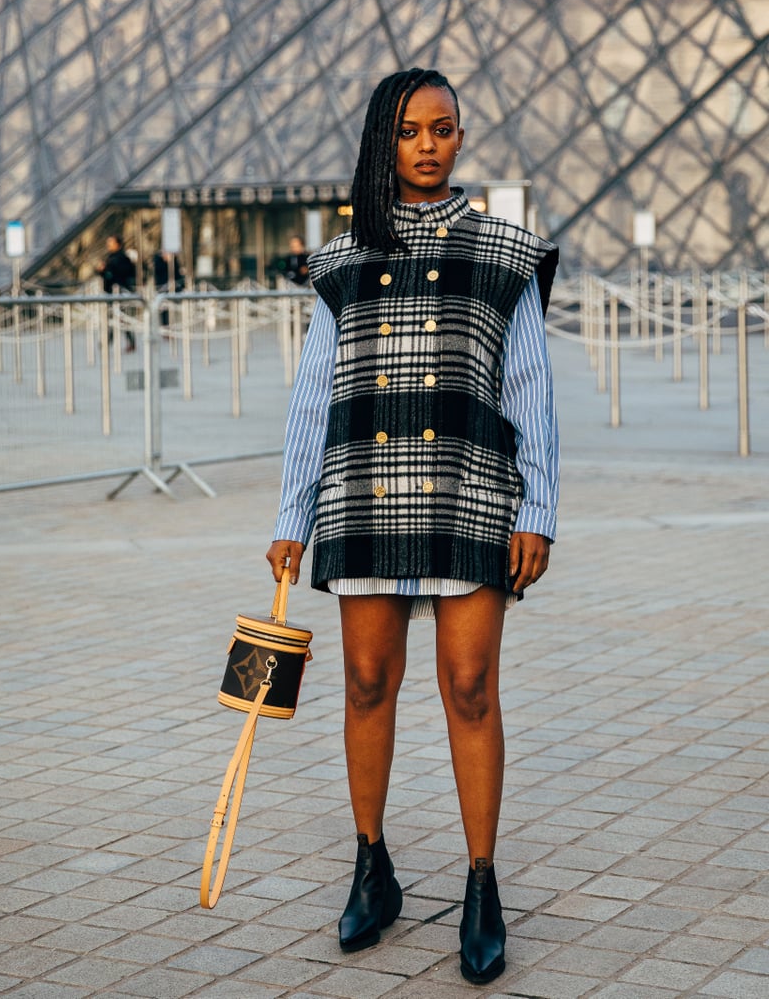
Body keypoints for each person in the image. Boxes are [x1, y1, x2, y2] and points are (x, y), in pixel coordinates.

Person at [266, 68, 558, 986]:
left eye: (443, 128)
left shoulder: (507, 253)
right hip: (361, 493)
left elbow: (531, 393)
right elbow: (314, 396)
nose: (428, 144)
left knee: (470, 687)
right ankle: (373, 867)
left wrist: (539, 509)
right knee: (362, 683)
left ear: (461, 138)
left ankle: (480, 884)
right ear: (383, 143)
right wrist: (290, 512)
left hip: (470, 492)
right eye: (409, 130)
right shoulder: (341, 261)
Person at [98, 234, 137, 351]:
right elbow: (107, 274)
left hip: (120, 292)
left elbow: (122, 273)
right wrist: (102, 271)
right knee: (115, 318)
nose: (108, 245)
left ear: (117, 244)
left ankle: (127, 342)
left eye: (111, 242)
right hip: (112, 291)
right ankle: (109, 341)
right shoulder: (110, 257)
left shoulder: (122, 258)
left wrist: (106, 270)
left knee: (122, 318)